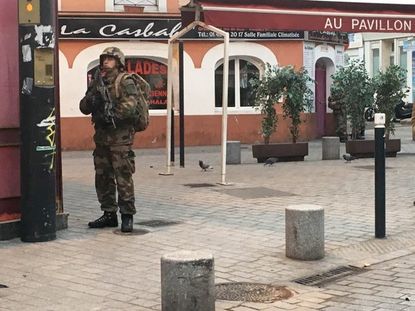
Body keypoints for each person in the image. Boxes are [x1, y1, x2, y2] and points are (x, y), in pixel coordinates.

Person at [79, 47, 139, 232]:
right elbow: (83, 107)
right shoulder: (98, 82)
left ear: (119, 62)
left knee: (123, 177)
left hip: (120, 138)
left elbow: (130, 106)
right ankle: (109, 214)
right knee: (103, 177)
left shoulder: (125, 81)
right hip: (102, 139)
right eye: (104, 58)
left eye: (110, 59)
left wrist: (111, 115)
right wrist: (91, 99)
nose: (106, 62)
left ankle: (127, 215)